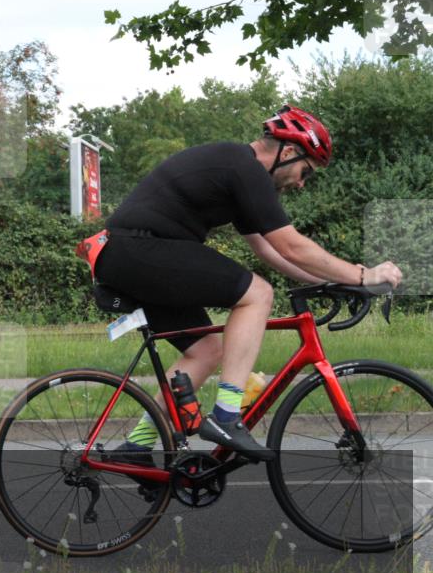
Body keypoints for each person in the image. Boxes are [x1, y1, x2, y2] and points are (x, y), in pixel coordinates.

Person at [93, 105, 402, 461]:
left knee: (206, 351)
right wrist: (363, 274)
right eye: (306, 171)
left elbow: (273, 251)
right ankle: (226, 415)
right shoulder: (244, 168)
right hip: (139, 248)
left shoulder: (238, 172)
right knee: (258, 293)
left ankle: (136, 447)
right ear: (288, 152)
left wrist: (333, 282)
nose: (302, 183)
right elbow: (291, 245)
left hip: (133, 253)